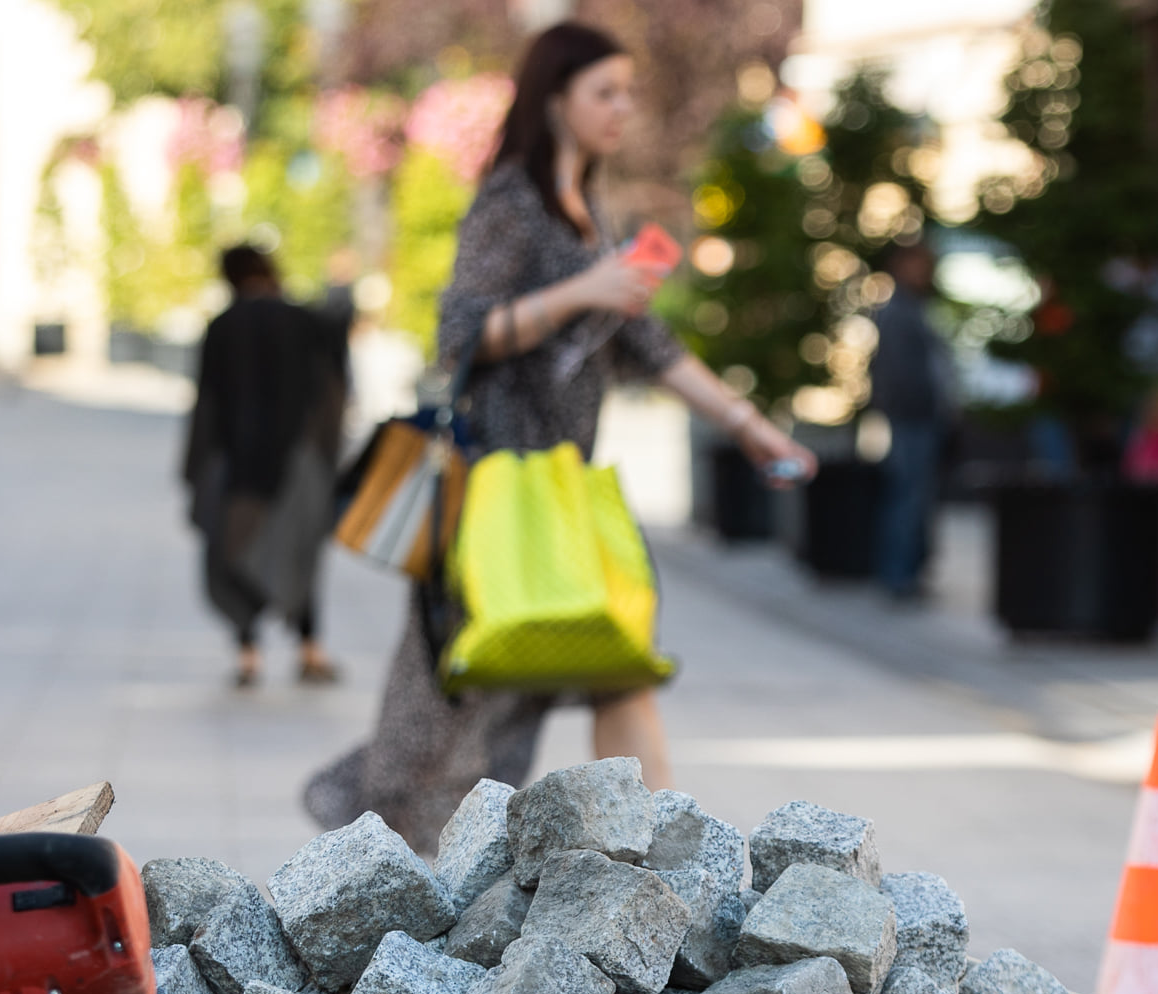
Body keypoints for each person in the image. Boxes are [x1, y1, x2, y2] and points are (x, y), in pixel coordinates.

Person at [306, 21, 816, 852]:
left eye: (627, 91)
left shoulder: (594, 219)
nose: (623, 108)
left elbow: (650, 348)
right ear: (554, 102)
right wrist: (586, 290)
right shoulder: (511, 201)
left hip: (563, 492)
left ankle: (656, 866)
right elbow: (460, 333)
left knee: (615, 660)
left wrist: (754, 429)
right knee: (446, 717)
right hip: (495, 495)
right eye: (604, 92)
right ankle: (380, 855)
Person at [184, 245, 350, 687]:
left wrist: (196, 469)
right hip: (299, 460)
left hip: (236, 463)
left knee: (235, 550)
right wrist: (329, 458)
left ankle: (248, 655)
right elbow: (332, 393)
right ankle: (310, 649)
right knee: (299, 553)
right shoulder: (307, 321)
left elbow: (207, 403)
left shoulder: (222, 326)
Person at [868, 240, 956, 600]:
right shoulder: (897, 312)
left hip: (922, 418)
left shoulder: (918, 307)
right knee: (908, 496)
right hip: (911, 418)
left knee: (916, 497)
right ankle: (899, 573)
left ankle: (909, 571)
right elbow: (896, 374)